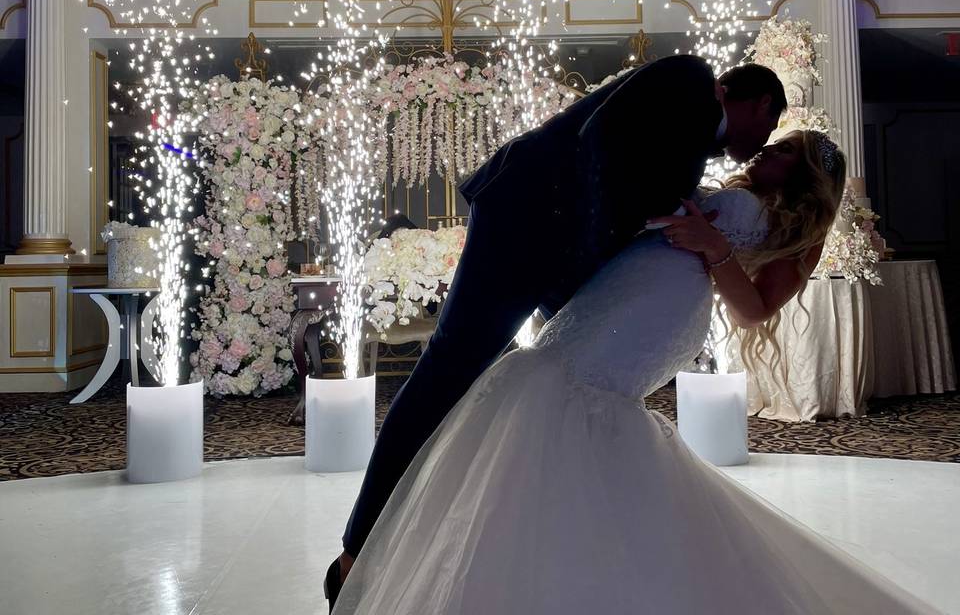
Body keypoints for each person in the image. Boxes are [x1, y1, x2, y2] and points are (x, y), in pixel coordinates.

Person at [331, 130, 934, 614]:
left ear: (803, 178)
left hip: (660, 309)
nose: (767, 151)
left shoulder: (792, 232)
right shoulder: (725, 186)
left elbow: (753, 310)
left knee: (566, 397)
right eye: (774, 143)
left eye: (783, 152)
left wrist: (711, 245)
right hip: (623, 295)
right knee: (549, 400)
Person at [324, 55, 789, 605]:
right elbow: (600, 147)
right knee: (448, 371)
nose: (763, 144)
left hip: (553, 248)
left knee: (500, 392)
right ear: (759, 102)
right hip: (525, 224)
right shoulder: (690, 78)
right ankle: (356, 551)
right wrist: (582, 272)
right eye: (771, 127)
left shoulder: (697, 143)